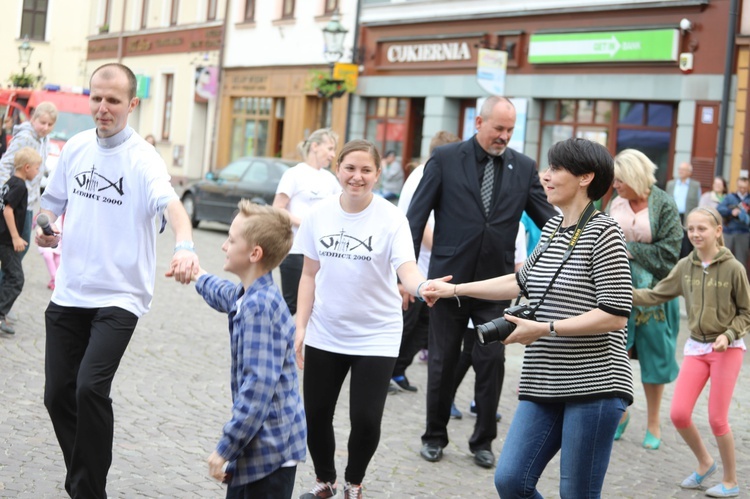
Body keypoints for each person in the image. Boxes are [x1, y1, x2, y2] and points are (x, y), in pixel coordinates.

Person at [423, 137, 633, 498]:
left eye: (555, 169)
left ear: (585, 177)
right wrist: (455, 290)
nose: (545, 176)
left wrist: (546, 328)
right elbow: (519, 281)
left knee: (577, 494)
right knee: (511, 480)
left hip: (594, 385)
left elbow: (616, 315)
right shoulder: (552, 228)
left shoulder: (606, 232)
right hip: (543, 380)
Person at [36, 62, 199, 499]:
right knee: (57, 396)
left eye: (113, 100)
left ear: (132, 103)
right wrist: (44, 223)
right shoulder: (74, 148)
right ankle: (84, 479)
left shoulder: (143, 159)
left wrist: (185, 246)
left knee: (90, 387)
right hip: (70, 292)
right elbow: (49, 205)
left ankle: (89, 491)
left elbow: (173, 207)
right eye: (96, 98)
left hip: (120, 297)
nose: (103, 108)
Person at [407, 95, 556, 469]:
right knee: (441, 362)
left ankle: (483, 441)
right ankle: (434, 435)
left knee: (491, 360)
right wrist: (404, 276)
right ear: (478, 122)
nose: (504, 136)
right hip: (447, 280)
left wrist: (582, 231)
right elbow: (414, 218)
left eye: (510, 130)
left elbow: (549, 220)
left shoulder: (523, 168)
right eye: (499, 128)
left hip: (496, 285)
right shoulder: (444, 160)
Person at [294, 139, 429, 499]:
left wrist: (421, 286)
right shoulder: (318, 214)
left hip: (377, 333)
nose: (357, 177)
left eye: (366, 170)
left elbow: (407, 268)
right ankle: (325, 481)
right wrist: (301, 325)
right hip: (326, 330)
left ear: (377, 173)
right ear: (337, 168)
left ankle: (354, 483)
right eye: (350, 168)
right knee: (317, 414)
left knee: (366, 419)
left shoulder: (391, 217)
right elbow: (309, 274)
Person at [192, 200, 306, 499]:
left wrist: (224, 448)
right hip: (262, 448)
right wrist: (198, 275)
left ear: (255, 253)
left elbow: (257, 389)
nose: (224, 247)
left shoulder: (259, 308)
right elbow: (227, 295)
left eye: (231, 240)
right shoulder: (254, 293)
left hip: (270, 453)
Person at [633, 206, 748, 498]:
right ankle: (705, 462)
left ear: (718, 231)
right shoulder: (686, 265)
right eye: (691, 229)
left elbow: (746, 312)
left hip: (727, 349)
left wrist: (728, 334)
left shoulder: (734, 268)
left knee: (717, 418)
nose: (695, 234)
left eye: (702, 228)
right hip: (697, 346)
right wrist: (623, 293)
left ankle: (731, 481)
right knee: (679, 414)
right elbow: (657, 294)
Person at [608, 148, 682, 450]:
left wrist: (629, 249)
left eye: (619, 180)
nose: (615, 186)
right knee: (615, 354)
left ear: (633, 176)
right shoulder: (615, 203)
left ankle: (653, 421)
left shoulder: (663, 203)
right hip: (618, 289)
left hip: (655, 299)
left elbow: (670, 254)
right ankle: (621, 413)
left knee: (654, 358)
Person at [390, 130, 461, 393]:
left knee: (423, 325)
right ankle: (389, 370)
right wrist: (450, 250)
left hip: (429, 266)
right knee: (409, 323)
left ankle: (397, 370)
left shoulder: (430, 171)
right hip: (416, 265)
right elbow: (419, 223)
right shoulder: (425, 174)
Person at [450, 223, 526, 419]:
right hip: (470, 300)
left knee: (492, 356)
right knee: (469, 352)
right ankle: (449, 398)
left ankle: (482, 408)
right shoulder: (469, 221)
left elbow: (520, 268)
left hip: (497, 304)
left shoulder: (516, 225)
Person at [272, 128, 340, 315]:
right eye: (330, 148)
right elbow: (277, 208)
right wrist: (304, 222)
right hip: (295, 250)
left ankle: (307, 342)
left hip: (321, 252)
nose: (333, 155)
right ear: (315, 146)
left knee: (316, 305)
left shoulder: (330, 179)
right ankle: (276, 341)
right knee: (291, 305)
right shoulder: (294, 174)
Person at [0, 102, 57, 262]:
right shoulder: (25, 137)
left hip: (30, 202)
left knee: (19, 250)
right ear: (33, 120)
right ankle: (8, 286)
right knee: (14, 253)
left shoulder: (44, 139)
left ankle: (8, 283)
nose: (45, 127)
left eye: (50, 124)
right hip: (15, 203)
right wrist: (5, 194)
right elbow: (4, 164)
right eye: (42, 123)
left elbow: (38, 164)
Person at [0, 147, 42, 334]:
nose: (38, 172)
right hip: (7, 241)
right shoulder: (19, 186)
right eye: (36, 168)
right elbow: (8, 211)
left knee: (11, 276)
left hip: (5, 239)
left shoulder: (11, 182)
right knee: (16, 279)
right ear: (26, 167)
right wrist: (16, 237)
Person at [717, 177, 750, 266]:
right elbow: (719, 209)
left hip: (743, 233)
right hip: (728, 232)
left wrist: (744, 214)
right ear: (737, 186)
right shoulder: (730, 197)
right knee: (724, 258)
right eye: (740, 187)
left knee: (741, 261)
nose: (742, 189)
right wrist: (731, 211)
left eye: (744, 187)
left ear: (748, 187)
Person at [38, 213, 63, 290]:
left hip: (60, 232)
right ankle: (54, 278)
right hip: (48, 231)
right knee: (47, 255)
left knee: (57, 258)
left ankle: (57, 280)